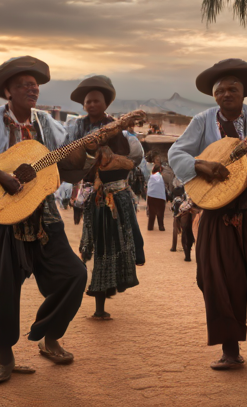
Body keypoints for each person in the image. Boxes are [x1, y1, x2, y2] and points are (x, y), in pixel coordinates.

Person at [0, 56, 88, 384]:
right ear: (7, 91)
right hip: (4, 213)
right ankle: (5, 358)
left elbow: (65, 158)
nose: (33, 89)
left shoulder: (46, 123)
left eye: (35, 84)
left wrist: (91, 149)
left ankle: (49, 336)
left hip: (43, 211)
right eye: (24, 84)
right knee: (3, 289)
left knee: (75, 274)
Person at [168, 58, 247, 373]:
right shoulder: (202, 121)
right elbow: (176, 152)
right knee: (216, 278)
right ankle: (230, 350)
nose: (226, 94)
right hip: (216, 211)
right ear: (214, 95)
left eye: (233, 88)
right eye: (220, 90)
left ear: (244, 92)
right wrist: (200, 165)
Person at [68, 75, 145, 320]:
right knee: (100, 247)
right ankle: (101, 299)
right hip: (95, 199)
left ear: (106, 103)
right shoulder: (76, 128)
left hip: (115, 195)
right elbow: (72, 160)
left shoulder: (118, 128)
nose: (91, 104)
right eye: (88, 101)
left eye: (96, 100)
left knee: (114, 245)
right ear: (83, 105)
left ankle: (103, 294)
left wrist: (109, 160)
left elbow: (130, 160)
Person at [147, 165, 167, 231]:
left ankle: (150, 227)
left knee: (151, 212)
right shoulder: (162, 177)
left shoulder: (151, 177)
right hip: (160, 197)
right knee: (160, 212)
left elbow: (148, 186)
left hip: (151, 196)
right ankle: (161, 227)